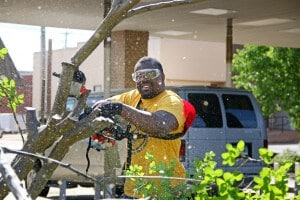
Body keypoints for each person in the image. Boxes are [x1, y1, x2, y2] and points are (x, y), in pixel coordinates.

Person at [95, 56, 186, 198]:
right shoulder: (133, 97)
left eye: (150, 74)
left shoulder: (171, 100)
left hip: (165, 191)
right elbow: (103, 104)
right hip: (133, 191)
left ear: (161, 76)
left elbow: (160, 125)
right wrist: (91, 113)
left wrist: (120, 109)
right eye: (138, 76)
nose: (143, 79)